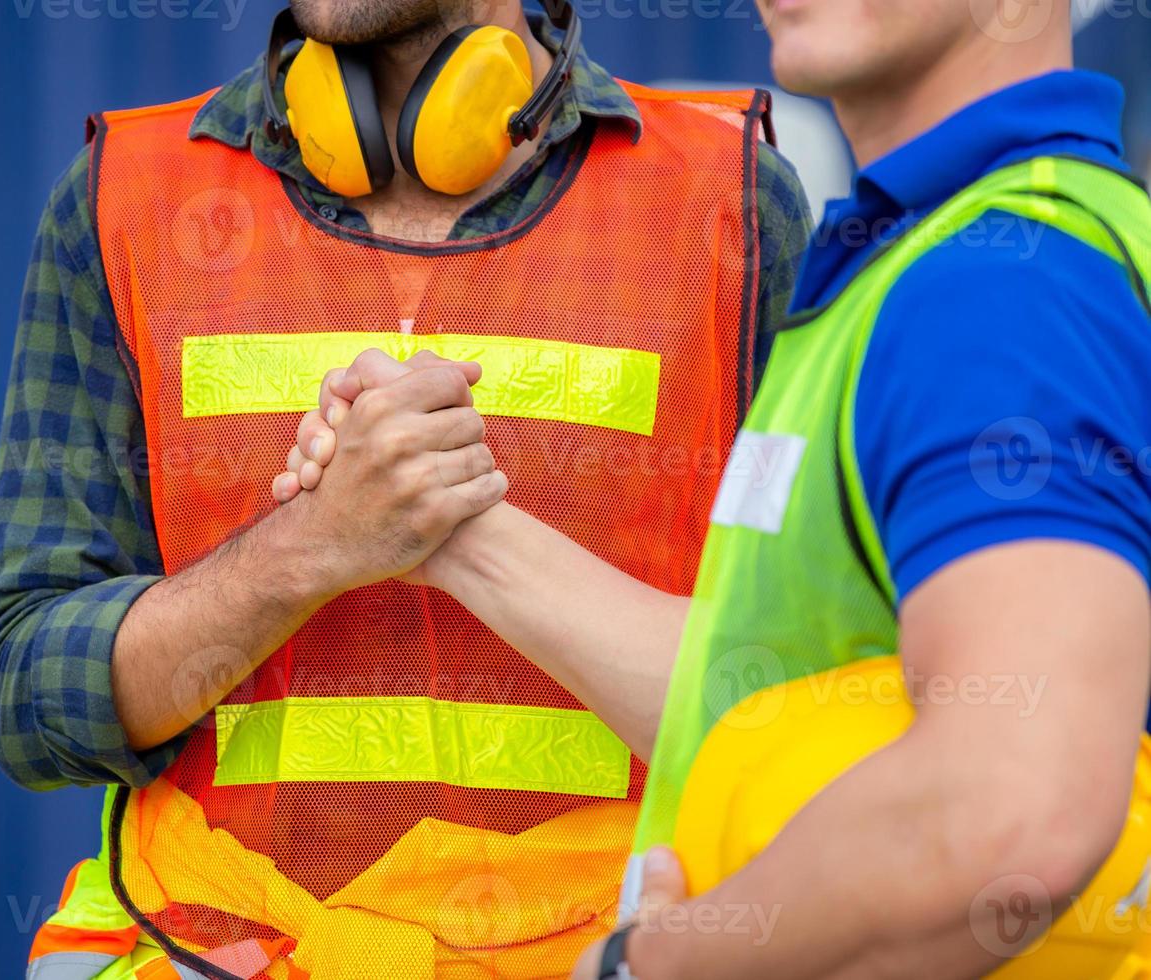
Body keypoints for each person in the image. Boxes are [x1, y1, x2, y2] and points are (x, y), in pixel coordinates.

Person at [277, 0, 1151, 975]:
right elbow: (775, 707)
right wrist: (441, 521)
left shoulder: (997, 287)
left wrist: (653, 963)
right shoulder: (928, 262)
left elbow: (1012, 804)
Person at [0, 0, 811, 975]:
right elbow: (22, 692)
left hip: (599, 949)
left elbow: (804, 695)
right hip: (210, 945)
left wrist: (436, 525)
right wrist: (309, 545)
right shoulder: (121, 199)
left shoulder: (731, 201)